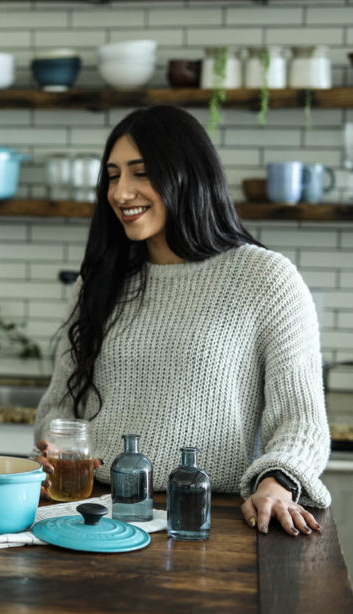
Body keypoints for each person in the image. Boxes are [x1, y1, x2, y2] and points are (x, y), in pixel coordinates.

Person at [33, 105, 330, 537]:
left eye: (141, 173)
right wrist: (53, 447)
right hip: (94, 516)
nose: (121, 192)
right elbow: (60, 407)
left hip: (207, 519)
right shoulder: (100, 282)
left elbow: (301, 421)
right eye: (113, 176)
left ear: (188, 175)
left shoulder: (265, 278)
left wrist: (277, 483)